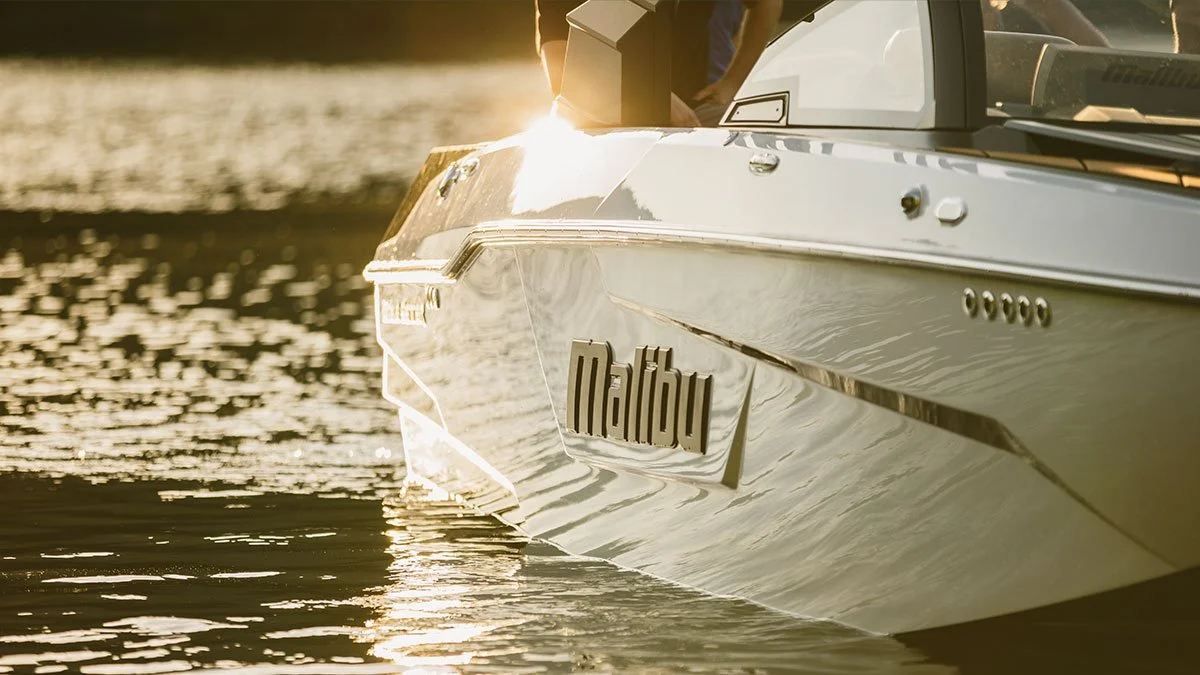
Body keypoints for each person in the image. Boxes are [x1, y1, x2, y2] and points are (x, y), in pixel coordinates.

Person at [535, 0, 783, 127]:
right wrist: (653, 100)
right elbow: (562, 79)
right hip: (596, 123)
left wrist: (732, 83)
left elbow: (767, 3)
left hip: (693, 111)